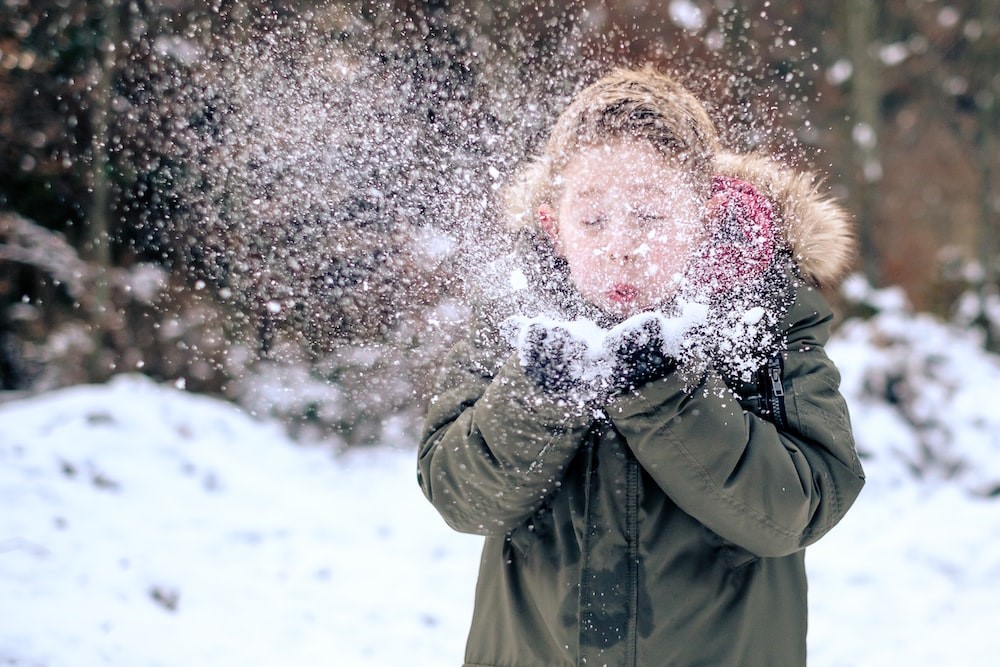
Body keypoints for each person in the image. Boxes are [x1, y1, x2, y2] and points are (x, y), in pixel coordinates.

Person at [417, 66, 865, 667]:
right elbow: (459, 496)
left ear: (703, 217)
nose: (621, 243)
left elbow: (797, 509)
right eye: (593, 219)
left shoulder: (761, 315)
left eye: (650, 216)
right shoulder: (517, 318)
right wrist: (540, 394)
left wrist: (665, 390)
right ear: (556, 226)